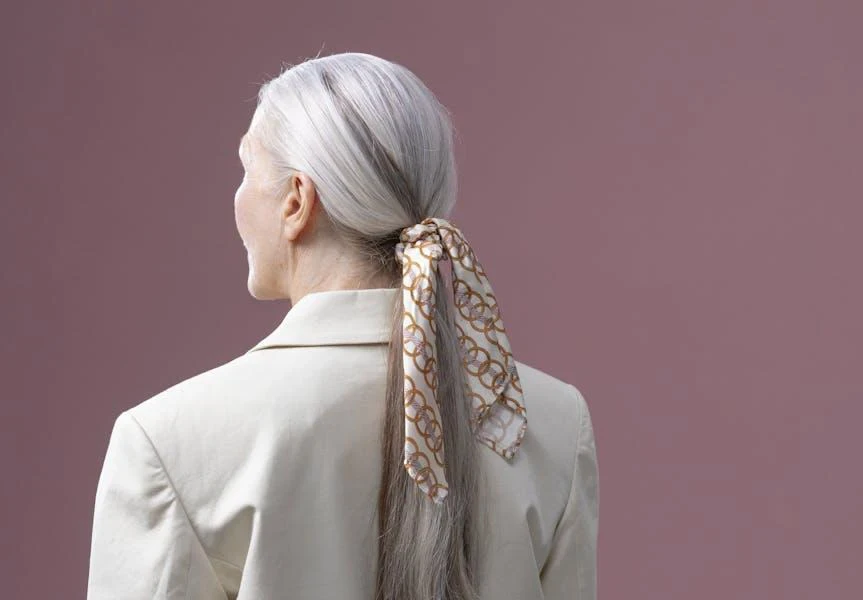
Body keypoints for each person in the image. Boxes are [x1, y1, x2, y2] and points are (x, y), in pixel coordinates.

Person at [86, 51, 599, 600]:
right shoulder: (549, 421)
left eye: (246, 170)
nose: (236, 198)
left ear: (296, 201)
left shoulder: (168, 440)